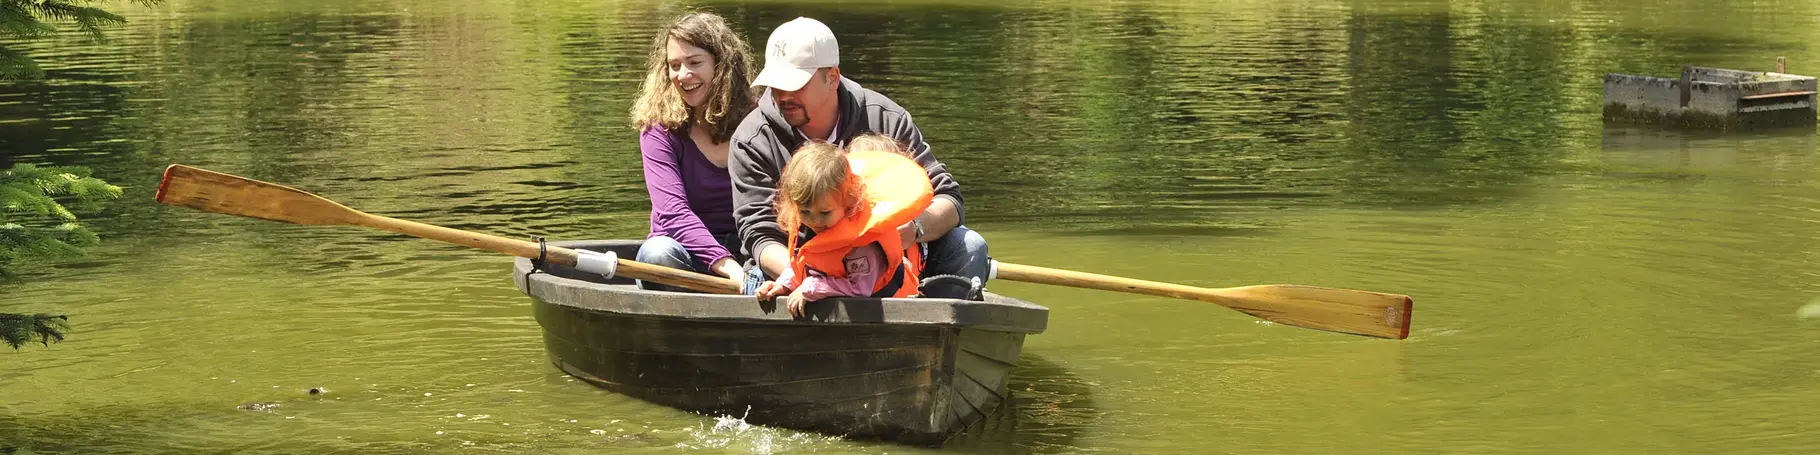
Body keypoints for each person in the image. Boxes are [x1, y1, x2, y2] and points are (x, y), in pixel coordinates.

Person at [729, 16, 990, 299]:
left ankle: (939, 332)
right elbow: (759, 233)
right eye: (776, 85)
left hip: (887, 266)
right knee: (759, 280)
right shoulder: (751, 139)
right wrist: (810, 277)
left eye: (795, 84)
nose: (782, 96)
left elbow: (948, 199)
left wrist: (912, 230)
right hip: (793, 272)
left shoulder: (887, 118)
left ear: (832, 77)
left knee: (969, 244)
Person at [627, 12, 757, 290]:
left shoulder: (757, 120)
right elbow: (673, 214)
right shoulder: (658, 129)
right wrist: (730, 269)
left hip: (749, 249)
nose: (682, 75)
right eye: (674, 65)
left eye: (694, 62)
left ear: (721, 65)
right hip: (685, 253)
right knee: (656, 254)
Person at [752, 142, 933, 316]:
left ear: (848, 200)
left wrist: (812, 287)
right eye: (805, 211)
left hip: (889, 316)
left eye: (825, 212)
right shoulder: (806, 227)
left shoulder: (861, 245)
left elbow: (860, 289)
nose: (814, 221)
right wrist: (782, 285)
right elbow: (803, 263)